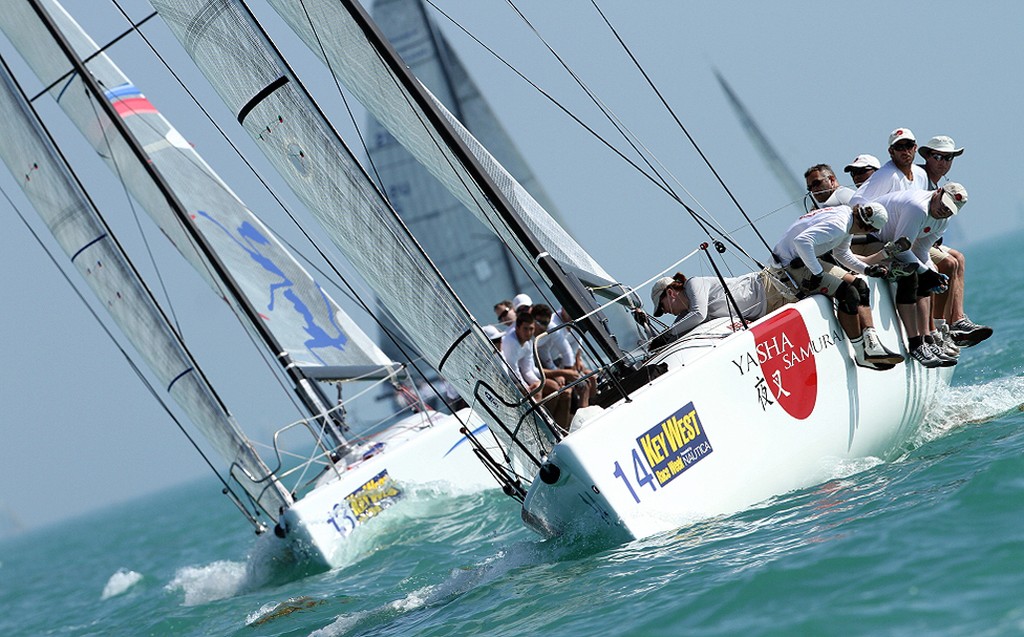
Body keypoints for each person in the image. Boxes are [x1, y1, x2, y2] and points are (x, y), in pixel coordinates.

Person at [772, 203, 904, 370]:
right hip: (790, 267)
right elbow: (802, 241)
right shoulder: (839, 225)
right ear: (868, 227)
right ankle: (861, 355)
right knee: (848, 294)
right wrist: (818, 273)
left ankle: (872, 344)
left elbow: (841, 253)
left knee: (860, 286)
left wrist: (866, 269)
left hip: (807, 260)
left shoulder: (848, 218)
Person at [872, 184, 970, 367]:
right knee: (912, 275)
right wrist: (926, 273)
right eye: (944, 203)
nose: (944, 210)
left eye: (950, 209)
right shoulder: (918, 208)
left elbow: (921, 249)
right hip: (872, 241)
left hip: (893, 245)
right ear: (938, 192)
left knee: (928, 276)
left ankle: (927, 339)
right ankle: (915, 343)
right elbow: (901, 250)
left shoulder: (943, 220)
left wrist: (932, 274)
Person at [915, 135, 992, 347]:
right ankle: (940, 326)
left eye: (948, 158)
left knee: (959, 257)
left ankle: (957, 319)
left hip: (924, 239)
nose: (943, 162)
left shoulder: (933, 181)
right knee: (949, 263)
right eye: (938, 156)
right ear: (928, 156)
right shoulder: (919, 178)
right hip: (911, 240)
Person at [649, 269, 792, 345]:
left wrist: (668, 334)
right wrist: (655, 343)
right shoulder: (687, 315)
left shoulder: (694, 284)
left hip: (770, 287)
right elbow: (675, 334)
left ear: (670, 293)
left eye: (662, 307)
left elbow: (699, 314)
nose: (665, 312)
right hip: (770, 310)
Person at [500, 308, 572, 431]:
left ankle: (558, 428)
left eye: (531, 329)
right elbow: (514, 372)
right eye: (525, 329)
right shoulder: (511, 343)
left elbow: (528, 370)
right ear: (517, 328)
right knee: (537, 392)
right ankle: (539, 428)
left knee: (555, 388)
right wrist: (531, 388)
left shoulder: (528, 343)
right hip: (508, 382)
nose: (529, 333)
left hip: (519, 378)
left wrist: (538, 382)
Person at [532, 303, 592, 409]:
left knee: (586, 383)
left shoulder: (549, 327)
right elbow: (542, 355)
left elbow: (567, 350)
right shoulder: (551, 326)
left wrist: (570, 371)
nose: (543, 327)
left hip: (552, 363)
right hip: (542, 364)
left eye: (545, 323)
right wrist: (560, 374)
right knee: (564, 391)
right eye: (541, 323)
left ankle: (588, 411)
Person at [850, 128, 929, 206]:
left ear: (915, 148)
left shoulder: (921, 174)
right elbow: (856, 202)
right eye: (899, 147)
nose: (905, 151)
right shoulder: (886, 175)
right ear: (891, 151)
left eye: (909, 146)